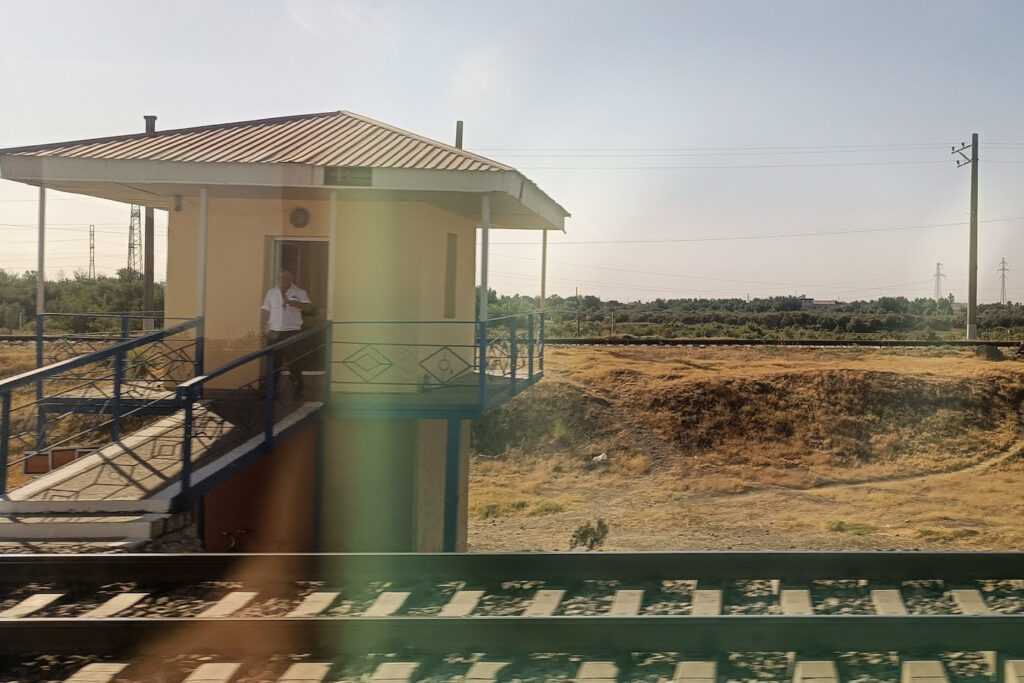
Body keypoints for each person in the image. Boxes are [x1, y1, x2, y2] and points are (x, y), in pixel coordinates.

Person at [261, 269, 313, 397]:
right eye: (280, 277)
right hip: (274, 330)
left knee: (293, 362)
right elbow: (265, 311)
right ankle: (271, 391)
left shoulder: (299, 292)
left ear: (292, 277)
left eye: (285, 276)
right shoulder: (271, 293)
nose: (282, 279)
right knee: (274, 362)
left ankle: (298, 390)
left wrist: (293, 302)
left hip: (291, 331)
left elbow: (309, 307)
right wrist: (264, 328)